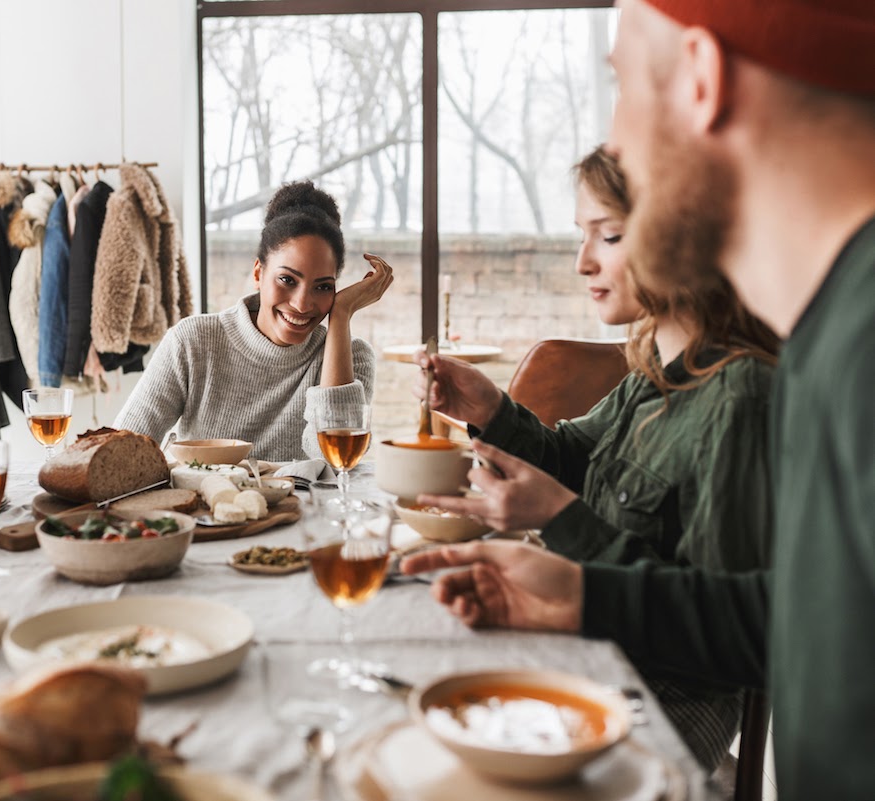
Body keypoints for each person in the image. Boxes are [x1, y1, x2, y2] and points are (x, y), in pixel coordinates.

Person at [403, 1, 875, 797]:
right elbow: (797, 624)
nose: (615, 142)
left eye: (621, 82)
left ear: (702, 78)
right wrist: (583, 592)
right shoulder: (829, 337)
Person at [413, 145, 778, 769]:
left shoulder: (740, 393)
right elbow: (571, 455)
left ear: (678, 234)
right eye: (583, 237)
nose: (583, 263)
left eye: (608, 236)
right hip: (590, 644)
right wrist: (490, 409)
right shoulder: (651, 368)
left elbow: (727, 626)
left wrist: (562, 520)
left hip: (666, 690)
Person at [114, 181, 393, 461]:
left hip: (308, 507)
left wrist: (341, 313)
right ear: (258, 273)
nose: (302, 304)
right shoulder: (192, 341)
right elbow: (121, 453)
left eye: (322, 287)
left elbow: (337, 461)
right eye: (287, 279)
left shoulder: (353, 356)